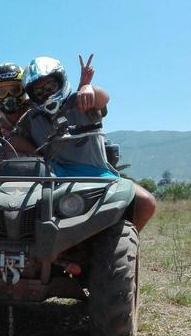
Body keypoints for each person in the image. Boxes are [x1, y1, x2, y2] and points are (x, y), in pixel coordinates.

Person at [14, 55, 156, 231]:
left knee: (146, 202)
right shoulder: (32, 117)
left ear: (61, 81)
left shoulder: (83, 102)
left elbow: (102, 98)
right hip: (52, 175)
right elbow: (13, 140)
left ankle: (124, 239)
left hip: (96, 175)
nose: (46, 93)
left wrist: (89, 88)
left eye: (50, 86)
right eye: (39, 92)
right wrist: (36, 154)